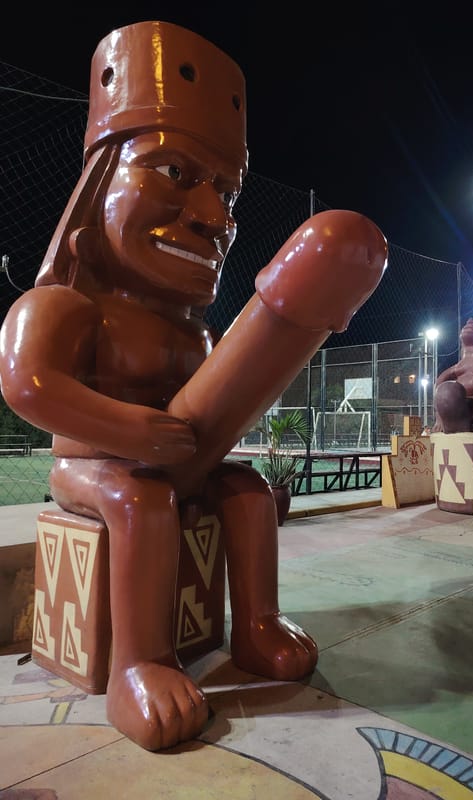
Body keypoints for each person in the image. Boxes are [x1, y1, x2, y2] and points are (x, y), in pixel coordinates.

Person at [0, 21, 387, 751]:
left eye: (227, 195)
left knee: (242, 492)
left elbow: (210, 415)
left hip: (169, 464)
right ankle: (136, 665)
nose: (217, 218)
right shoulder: (63, 305)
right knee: (138, 497)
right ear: (98, 185)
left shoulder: (189, 331)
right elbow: (28, 384)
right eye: (175, 174)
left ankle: (258, 627)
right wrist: (126, 431)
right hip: (88, 467)